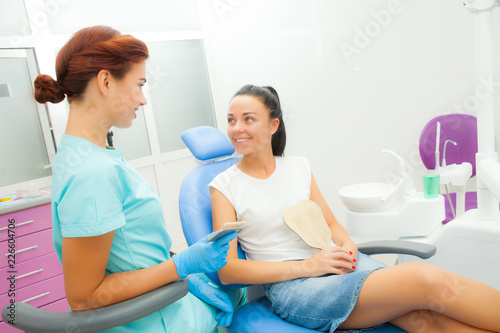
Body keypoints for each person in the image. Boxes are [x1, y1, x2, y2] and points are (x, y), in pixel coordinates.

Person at [209, 84, 500, 332]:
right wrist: (307, 266)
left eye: (248, 119)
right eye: (231, 120)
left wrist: (347, 247)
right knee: (425, 278)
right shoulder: (224, 186)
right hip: (296, 288)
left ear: (273, 125)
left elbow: (333, 225)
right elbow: (229, 271)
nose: (237, 129)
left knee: (424, 318)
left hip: (335, 264)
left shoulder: (298, 167)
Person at [34, 25, 244, 332]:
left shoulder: (91, 155)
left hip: (168, 306)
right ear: (105, 81)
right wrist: (182, 266)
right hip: (156, 322)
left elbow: (132, 250)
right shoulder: (92, 173)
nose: (143, 100)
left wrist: (186, 274)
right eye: (139, 84)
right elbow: (84, 297)